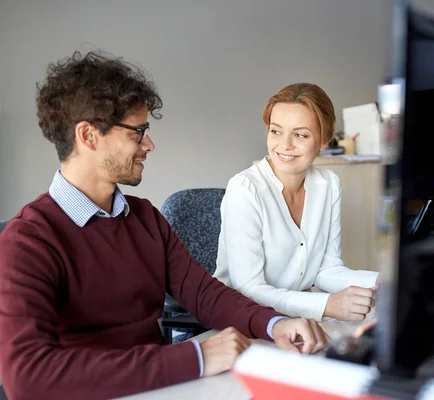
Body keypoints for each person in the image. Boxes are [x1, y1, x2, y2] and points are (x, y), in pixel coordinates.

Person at [0, 52, 328, 400]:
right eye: (137, 132)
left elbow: (204, 294)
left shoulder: (144, 218)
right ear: (89, 136)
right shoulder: (28, 240)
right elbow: (28, 376)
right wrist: (197, 356)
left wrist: (274, 323)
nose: (149, 145)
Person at [214, 83, 379, 322]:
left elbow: (326, 269)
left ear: (324, 140)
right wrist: (326, 304)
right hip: (244, 319)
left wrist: (385, 283)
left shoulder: (329, 185)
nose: (285, 145)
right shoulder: (245, 189)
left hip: (295, 318)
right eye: (276, 131)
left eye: (300, 134)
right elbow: (248, 288)